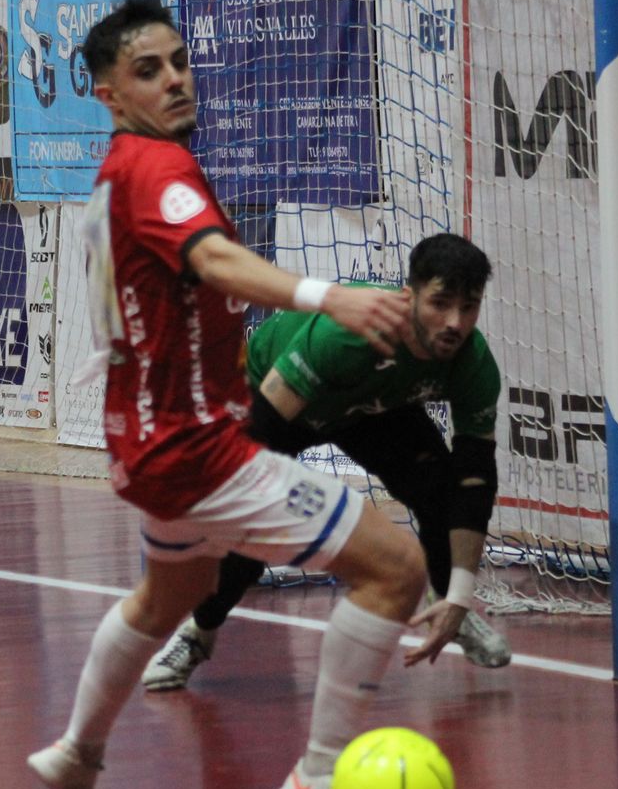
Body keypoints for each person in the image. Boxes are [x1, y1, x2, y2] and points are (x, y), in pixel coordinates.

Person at [27, 0, 464, 789]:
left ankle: (76, 754)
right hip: (194, 450)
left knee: (169, 596)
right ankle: (321, 776)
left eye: (181, 62)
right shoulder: (156, 170)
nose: (175, 80)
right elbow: (214, 260)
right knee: (395, 565)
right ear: (109, 94)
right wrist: (327, 297)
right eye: (148, 71)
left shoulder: (118, 170)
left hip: (144, 444)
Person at [141, 233, 512, 692]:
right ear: (408, 296)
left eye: (469, 307)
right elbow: (261, 433)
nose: (454, 322)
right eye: (440, 303)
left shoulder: (473, 362)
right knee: (249, 527)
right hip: (286, 401)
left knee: (443, 490)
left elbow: (476, 482)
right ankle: (200, 631)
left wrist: (461, 593)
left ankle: (449, 611)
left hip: (372, 407)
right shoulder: (348, 336)